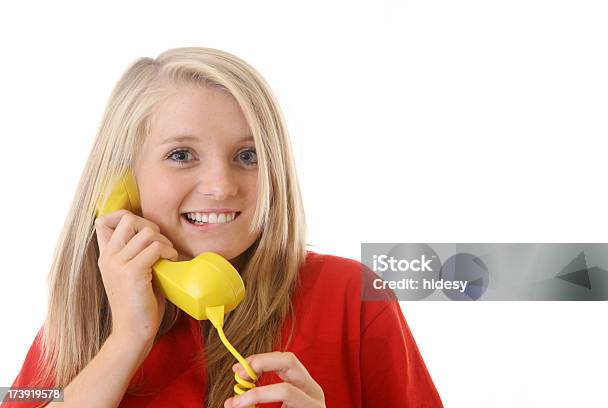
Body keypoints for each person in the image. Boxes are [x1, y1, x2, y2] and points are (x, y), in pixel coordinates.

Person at [1, 47, 443, 408]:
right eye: (181, 155)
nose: (220, 186)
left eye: (247, 156)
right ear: (121, 183)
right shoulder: (77, 322)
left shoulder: (353, 295)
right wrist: (126, 340)